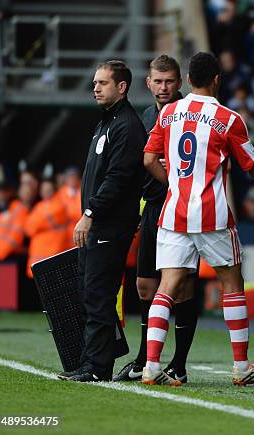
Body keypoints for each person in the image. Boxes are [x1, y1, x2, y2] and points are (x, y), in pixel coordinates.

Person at [142, 52, 254, 386]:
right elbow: (251, 164)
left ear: (187, 80)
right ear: (217, 79)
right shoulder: (229, 118)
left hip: (174, 212)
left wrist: (173, 182)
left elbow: (148, 159)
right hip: (212, 214)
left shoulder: (169, 112)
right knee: (232, 285)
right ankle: (242, 366)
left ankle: (151, 366)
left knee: (167, 288)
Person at [58, 60, 146, 382]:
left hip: (109, 226)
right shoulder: (107, 122)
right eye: (95, 83)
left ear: (121, 87)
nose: (95, 88)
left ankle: (97, 368)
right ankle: (90, 363)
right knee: (90, 293)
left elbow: (118, 179)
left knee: (98, 294)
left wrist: (89, 214)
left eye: (103, 83)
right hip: (100, 226)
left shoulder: (126, 126)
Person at [113, 54, 199, 385]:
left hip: (181, 210)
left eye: (169, 82)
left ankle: (179, 363)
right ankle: (143, 359)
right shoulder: (147, 115)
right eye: (157, 82)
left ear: (180, 83)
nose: (163, 87)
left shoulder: (192, 114)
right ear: (148, 83)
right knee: (145, 286)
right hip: (151, 209)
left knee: (182, 288)